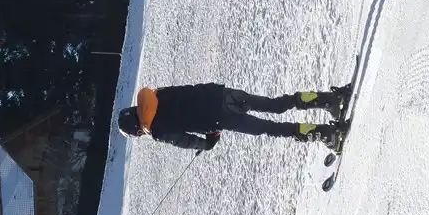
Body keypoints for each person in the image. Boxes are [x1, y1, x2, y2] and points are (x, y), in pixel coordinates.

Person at [116, 82, 351, 152]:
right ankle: (329, 100)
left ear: (137, 128)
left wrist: (207, 143)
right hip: (222, 94)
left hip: (222, 118)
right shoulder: (156, 95)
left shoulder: (156, 129)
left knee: (271, 128)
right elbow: (189, 93)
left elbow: (185, 140)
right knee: (275, 105)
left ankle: (328, 133)